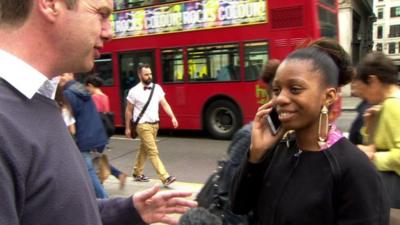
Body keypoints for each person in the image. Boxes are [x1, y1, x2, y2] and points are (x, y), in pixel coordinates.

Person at [0, 0, 196, 224]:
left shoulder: (40, 99)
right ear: (50, 4)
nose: (109, 32)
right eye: (101, 15)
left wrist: (127, 211)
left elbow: (59, 210)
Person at [230, 40, 390, 225]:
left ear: (328, 96)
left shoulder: (355, 170)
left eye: (295, 89)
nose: (280, 98)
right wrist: (256, 155)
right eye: (276, 89)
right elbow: (238, 206)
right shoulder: (276, 150)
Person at [355, 52, 400, 210]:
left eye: (364, 90)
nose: (365, 98)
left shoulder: (393, 106)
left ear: (373, 81)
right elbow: (376, 143)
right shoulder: (387, 105)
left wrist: (374, 157)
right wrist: (369, 126)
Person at [125, 63, 178, 186]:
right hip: (143, 125)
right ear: (139, 75)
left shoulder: (157, 88)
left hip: (155, 124)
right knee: (153, 151)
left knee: (144, 149)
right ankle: (165, 177)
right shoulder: (134, 91)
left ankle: (137, 172)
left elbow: (164, 104)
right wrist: (128, 128)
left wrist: (173, 116)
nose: (149, 76)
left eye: (150, 74)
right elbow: (128, 110)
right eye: (146, 74)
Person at [60, 72, 110, 199]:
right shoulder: (81, 89)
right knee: (91, 169)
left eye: (62, 75)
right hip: (95, 135)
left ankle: (104, 199)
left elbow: (70, 120)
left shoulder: (67, 93)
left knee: (89, 172)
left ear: (70, 75)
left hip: (82, 138)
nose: (60, 78)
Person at [85, 74, 128, 189]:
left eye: (87, 88)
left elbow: (93, 118)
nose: (87, 90)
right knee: (96, 158)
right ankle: (118, 175)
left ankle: (100, 185)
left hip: (96, 133)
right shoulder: (104, 96)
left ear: (90, 85)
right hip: (104, 132)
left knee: (92, 160)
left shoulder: (94, 98)